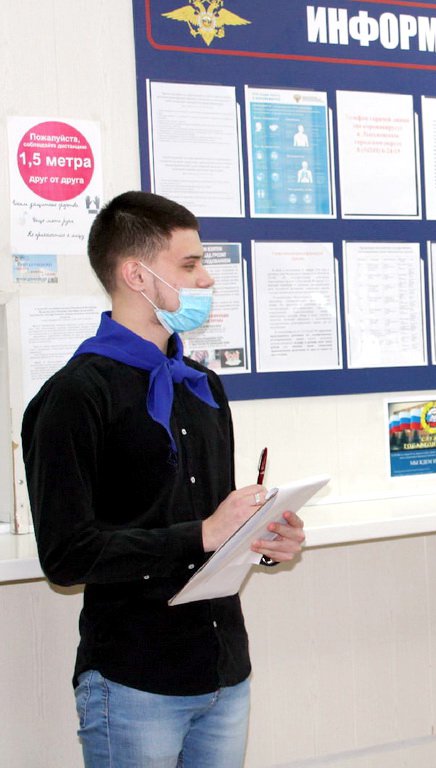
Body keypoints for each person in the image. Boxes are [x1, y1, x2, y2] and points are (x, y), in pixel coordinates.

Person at [21, 191, 306, 768]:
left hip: (224, 670)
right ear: (136, 275)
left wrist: (262, 538)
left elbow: (213, 525)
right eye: (190, 264)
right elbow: (66, 556)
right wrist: (203, 534)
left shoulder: (201, 384)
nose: (206, 279)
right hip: (135, 680)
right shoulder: (75, 396)